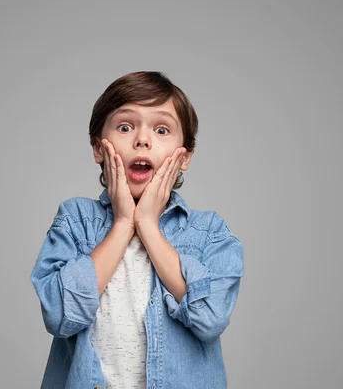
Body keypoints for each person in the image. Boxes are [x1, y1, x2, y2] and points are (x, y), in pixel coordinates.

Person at [30, 71, 244, 388]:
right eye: (125, 127)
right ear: (98, 149)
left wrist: (147, 225)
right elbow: (60, 316)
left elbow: (210, 318)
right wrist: (121, 224)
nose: (142, 139)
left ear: (183, 157)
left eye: (161, 129)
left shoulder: (210, 232)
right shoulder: (75, 220)